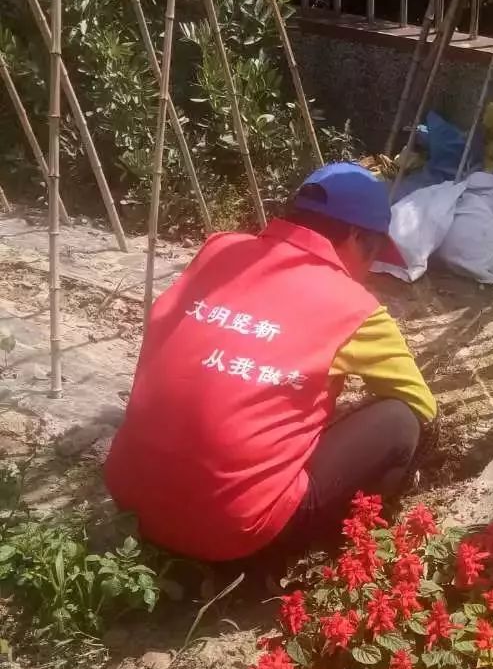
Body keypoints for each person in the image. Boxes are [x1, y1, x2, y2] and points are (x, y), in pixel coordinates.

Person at [106, 162, 436, 563]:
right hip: (234, 533)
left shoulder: (220, 250)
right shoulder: (353, 307)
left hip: (132, 500)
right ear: (354, 237)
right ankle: (321, 551)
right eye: (372, 255)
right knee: (399, 420)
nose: (369, 271)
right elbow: (421, 403)